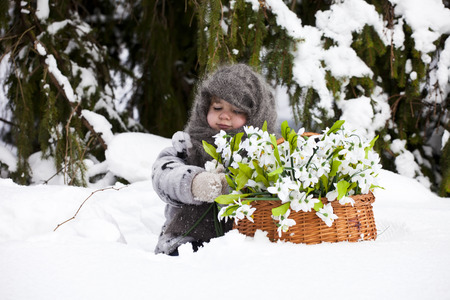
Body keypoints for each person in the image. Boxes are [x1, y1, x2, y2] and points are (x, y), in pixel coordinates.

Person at [152, 63, 277, 255]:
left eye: (237, 110)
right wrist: (193, 183)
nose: (225, 115)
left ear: (256, 117)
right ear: (204, 107)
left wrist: (236, 186)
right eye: (217, 107)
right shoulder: (188, 145)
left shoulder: (263, 153)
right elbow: (163, 174)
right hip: (184, 242)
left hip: (243, 246)